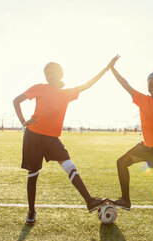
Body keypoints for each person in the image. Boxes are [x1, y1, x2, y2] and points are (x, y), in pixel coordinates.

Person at [13, 56, 118, 226]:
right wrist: (22, 121)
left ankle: (90, 201)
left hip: (52, 139)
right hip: (33, 137)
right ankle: (31, 211)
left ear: (61, 74)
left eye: (53, 72)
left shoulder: (66, 93)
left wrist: (106, 69)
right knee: (33, 174)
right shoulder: (39, 88)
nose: (49, 75)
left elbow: (88, 84)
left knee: (70, 166)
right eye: (47, 73)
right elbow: (16, 100)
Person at [109, 56, 153, 227]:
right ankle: (125, 200)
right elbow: (125, 84)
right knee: (121, 163)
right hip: (147, 147)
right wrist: (112, 69)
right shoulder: (142, 99)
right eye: (151, 83)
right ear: (148, 85)